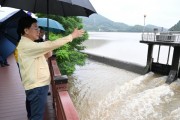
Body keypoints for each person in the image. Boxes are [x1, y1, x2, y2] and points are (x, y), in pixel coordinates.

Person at [16, 16, 84, 120]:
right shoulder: (27, 46)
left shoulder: (30, 45)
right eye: (35, 28)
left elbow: (46, 56)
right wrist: (71, 36)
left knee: (34, 115)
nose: (38, 31)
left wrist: (47, 46)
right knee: (37, 117)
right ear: (26, 30)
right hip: (37, 87)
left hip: (36, 86)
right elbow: (52, 44)